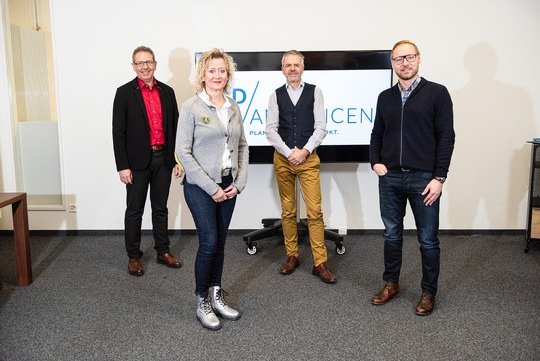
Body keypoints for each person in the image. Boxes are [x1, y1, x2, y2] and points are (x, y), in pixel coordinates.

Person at [369, 40, 455, 315]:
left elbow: (446, 137)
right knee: (391, 235)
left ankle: (428, 292)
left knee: (428, 240)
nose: (404, 63)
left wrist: (439, 177)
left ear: (418, 59)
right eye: (398, 59)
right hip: (391, 178)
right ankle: (390, 283)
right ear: (392, 64)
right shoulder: (385, 97)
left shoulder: (437, 93)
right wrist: (375, 162)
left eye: (409, 57)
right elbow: (376, 134)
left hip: (424, 180)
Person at [176, 48, 249, 330]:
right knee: (208, 241)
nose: (217, 76)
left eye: (222, 71)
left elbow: (242, 146)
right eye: (212, 71)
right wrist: (211, 188)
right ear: (203, 75)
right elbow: (182, 151)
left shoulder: (233, 106)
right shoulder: (191, 107)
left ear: (228, 75)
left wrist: (238, 184)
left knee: (219, 242)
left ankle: (217, 294)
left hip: (228, 184)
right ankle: (201, 300)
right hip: (199, 186)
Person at [266, 50, 337, 284]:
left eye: (296, 65)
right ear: (282, 69)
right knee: (288, 211)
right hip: (283, 160)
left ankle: (320, 263)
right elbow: (270, 130)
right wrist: (289, 153)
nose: (293, 69)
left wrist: (304, 151)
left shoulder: (315, 92)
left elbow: (321, 127)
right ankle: (292, 255)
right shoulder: (275, 95)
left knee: (314, 212)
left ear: (302, 68)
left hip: (309, 160)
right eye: (288, 65)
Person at [113, 45, 183, 277]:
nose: (145, 66)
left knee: (160, 208)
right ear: (133, 66)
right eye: (140, 63)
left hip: (163, 159)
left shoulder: (167, 92)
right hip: (136, 163)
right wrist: (122, 166)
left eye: (148, 62)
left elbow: (175, 128)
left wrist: (177, 159)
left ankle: (163, 251)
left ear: (155, 64)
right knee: (134, 210)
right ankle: (134, 256)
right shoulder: (124, 93)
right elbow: (118, 132)